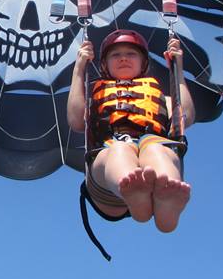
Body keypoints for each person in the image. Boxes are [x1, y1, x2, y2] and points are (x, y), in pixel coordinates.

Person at [66, 29, 194, 233]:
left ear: (143, 62)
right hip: (107, 183)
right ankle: (130, 187)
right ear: (104, 64)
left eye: (131, 54)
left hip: (151, 147)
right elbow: (76, 121)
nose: (123, 58)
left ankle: (167, 200)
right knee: (120, 149)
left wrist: (177, 68)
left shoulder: (162, 98)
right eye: (115, 54)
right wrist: (79, 69)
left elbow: (185, 115)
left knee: (156, 149)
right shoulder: (95, 98)